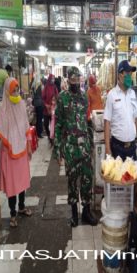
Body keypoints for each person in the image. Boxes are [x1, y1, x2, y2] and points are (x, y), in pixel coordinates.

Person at [0, 77, 32, 227]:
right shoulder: (3, 109)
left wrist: (29, 146)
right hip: (9, 154)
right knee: (12, 185)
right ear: (7, 92)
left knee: (22, 182)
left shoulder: (22, 105)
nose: (16, 93)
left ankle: (21, 207)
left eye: (17, 90)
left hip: (21, 150)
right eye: (13, 91)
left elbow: (26, 126)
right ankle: (12, 214)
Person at [53, 66, 97, 227]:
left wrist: (91, 141)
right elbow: (58, 125)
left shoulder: (84, 97)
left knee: (86, 179)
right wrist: (58, 149)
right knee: (72, 181)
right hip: (70, 147)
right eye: (72, 80)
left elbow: (87, 121)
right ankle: (73, 213)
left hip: (84, 146)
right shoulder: (62, 98)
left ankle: (86, 212)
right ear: (67, 80)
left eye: (77, 79)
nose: (75, 83)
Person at [104, 60, 137, 161]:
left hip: (132, 147)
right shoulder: (112, 95)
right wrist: (108, 149)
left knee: (132, 176)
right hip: (117, 148)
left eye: (131, 74)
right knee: (118, 176)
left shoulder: (133, 94)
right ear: (120, 75)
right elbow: (107, 122)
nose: (129, 76)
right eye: (127, 73)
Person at [42, 74, 58, 143]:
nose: (53, 80)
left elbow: (57, 97)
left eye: (53, 79)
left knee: (53, 125)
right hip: (46, 109)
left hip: (53, 110)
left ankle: (52, 138)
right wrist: (46, 105)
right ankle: (49, 136)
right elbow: (42, 97)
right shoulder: (46, 87)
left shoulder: (54, 87)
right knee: (45, 124)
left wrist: (54, 104)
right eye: (52, 78)